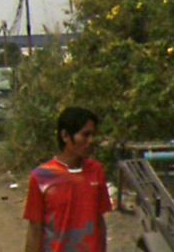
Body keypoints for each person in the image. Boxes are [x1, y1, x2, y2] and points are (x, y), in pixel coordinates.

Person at [23, 107, 112, 252]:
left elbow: (99, 221)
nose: (91, 141)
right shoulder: (41, 177)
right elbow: (35, 229)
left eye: (93, 135)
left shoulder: (96, 171)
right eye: (85, 135)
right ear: (65, 135)